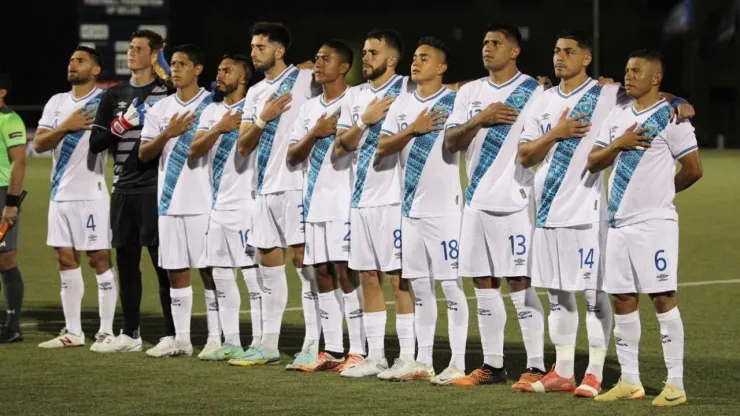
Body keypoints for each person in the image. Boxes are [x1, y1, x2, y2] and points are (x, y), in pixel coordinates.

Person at [517, 31, 694, 397]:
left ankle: (597, 373)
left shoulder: (607, 95)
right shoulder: (546, 102)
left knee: (598, 296)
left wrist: (682, 99)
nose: (559, 56)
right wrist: (558, 133)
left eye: (568, 51)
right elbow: (527, 156)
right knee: (560, 295)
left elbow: (659, 100)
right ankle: (565, 371)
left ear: (586, 59)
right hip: (549, 211)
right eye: (555, 50)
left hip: (591, 212)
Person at [588, 50, 702, 407]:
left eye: (637, 71)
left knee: (663, 299)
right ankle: (630, 380)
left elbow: (693, 169)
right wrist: (618, 144)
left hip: (654, 224)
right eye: (626, 70)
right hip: (617, 224)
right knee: (622, 299)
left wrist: (663, 194)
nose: (629, 75)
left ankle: (676, 385)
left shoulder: (672, 118)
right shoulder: (616, 115)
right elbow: (593, 160)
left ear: (656, 79)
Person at [443, 23, 548, 388]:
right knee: (483, 284)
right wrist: (479, 118)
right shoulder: (470, 91)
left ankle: (535, 364)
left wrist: (676, 102)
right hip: (476, 203)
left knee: (520, 282)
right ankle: (492, 365)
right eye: (485, 42)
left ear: (514, 51)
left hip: (516, 202)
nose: (487, 48)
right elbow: (451, 141)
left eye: (496, 43)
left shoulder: (535, 92)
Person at [375, 36, 466, 383]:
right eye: (414, 57)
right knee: (421, 288)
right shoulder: (400, 105)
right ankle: (423, 362)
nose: (415, 62)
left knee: (451, 287)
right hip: (410, 210)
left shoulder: (454, 102)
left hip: (445, 210)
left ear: (441, 68)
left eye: (424, 58)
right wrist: (414, 128)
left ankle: (456, 362)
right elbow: (383, 146)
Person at [231, 22, 319, 368]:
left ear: (279, 51)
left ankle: (312, 343)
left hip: (297, 185)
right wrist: (263, 119)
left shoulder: (305, 80)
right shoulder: (254, 94)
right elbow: (242, 145)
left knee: (303, 264)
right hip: (263, 188)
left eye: (260, 47)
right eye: (252, 46)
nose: (253, 52)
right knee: (267, 264)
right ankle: (268, 344)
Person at [334, 29, 416, 378]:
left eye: (372, 52)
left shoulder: (408, 89)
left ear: (392, 59)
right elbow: (341, 146)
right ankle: (376, 356)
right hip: (361, 199)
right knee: (368, 276)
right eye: (364, 51)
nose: (365, 58)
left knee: (398, 279)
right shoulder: (354, 96)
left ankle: (408, 356)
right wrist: (365, 120)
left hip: (395, 199)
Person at [89, 29, 174, 353]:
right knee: (126, 262)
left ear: (153, 55)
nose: (130, 53)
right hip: (123, 186)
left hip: (154, 187)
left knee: (162, 263)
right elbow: (97, 143)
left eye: (138, 48)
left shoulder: (166, 92)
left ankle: (170, 333)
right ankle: (131, 333)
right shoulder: (114, 95)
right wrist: (120, 127)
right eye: (130, 47)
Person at [286, 40, 365, 372]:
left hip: (345, 199)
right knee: (320, 272)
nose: (317, 64)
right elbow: (292, 156)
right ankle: (332, 349)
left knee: (346, 272)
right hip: (314, 200)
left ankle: (359, 349)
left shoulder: (357, 100)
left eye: (325, 59)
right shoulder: (308, 108)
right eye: (316, 58)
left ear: (344, 66)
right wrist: (316, 132)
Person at [139, 44, 220, 357]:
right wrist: (167, 133)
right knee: (175, 271)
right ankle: (183, 340)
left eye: (182, 64)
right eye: (172, 64)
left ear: (197, 69)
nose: (175, 69)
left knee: (209, 271)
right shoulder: (160, 110)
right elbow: (144, 153)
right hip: (169, 202)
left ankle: (215, 338)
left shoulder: (212, 104)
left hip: (204, 201)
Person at [34, 46, 117, 350]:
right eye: (70, 60)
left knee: (99, 259)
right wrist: (65, 126)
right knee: (65, 259)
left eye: (80, 60)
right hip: (60, 195)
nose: (72, 64)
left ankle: (106, 331)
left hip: (91, 194)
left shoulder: (104, 102)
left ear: (95, 70)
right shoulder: (57, 103)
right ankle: (73, 332)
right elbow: (40, 143)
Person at [188, 53, 262, 361]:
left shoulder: (255, 108)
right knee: (219, 273)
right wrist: (219, 127)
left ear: (243, 78)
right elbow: (193, 150)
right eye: (218, 70)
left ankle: (259, 341)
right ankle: (230, 341)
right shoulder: (211, 112)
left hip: (247, 203)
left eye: (227, 70)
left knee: (252, 276)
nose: (220, 75)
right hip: (218, 205)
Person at [0, 72, 27, 344]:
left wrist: (10, 204)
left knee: (5, 261)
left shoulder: (10, 120)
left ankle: (13, 326)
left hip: (2, 196)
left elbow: (19, 163)